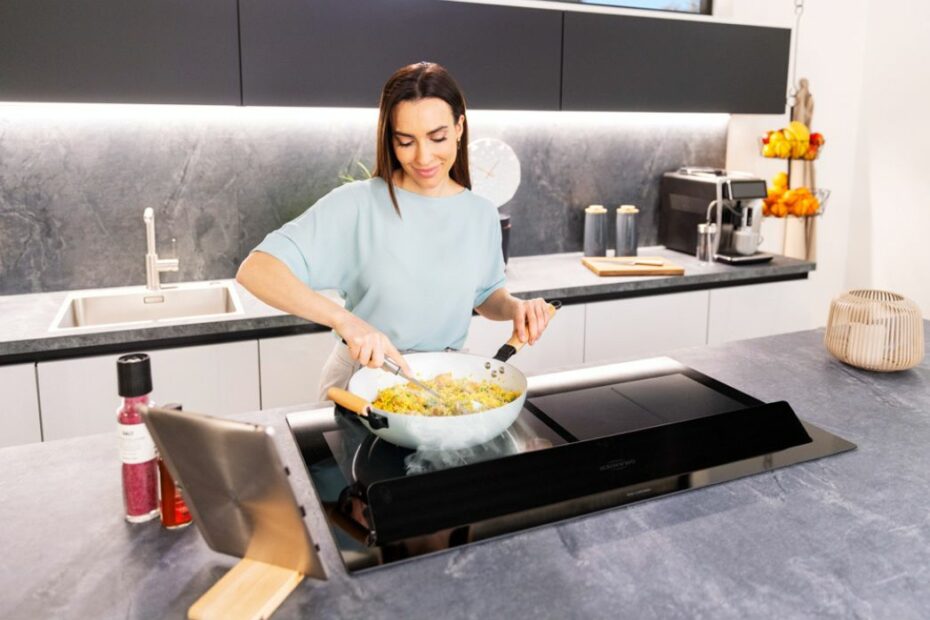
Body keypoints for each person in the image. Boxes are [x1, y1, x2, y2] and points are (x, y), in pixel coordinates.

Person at [236, 61, 552, 400]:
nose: (424, 156)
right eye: (406, 141)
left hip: (443, 384)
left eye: (438, 137)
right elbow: (256, 270)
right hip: (363, 382)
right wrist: (346, 322)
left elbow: (486, 296)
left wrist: (515, 308)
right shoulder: (357, 204)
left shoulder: (481, 213)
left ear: (459, 127)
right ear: (390, 138)